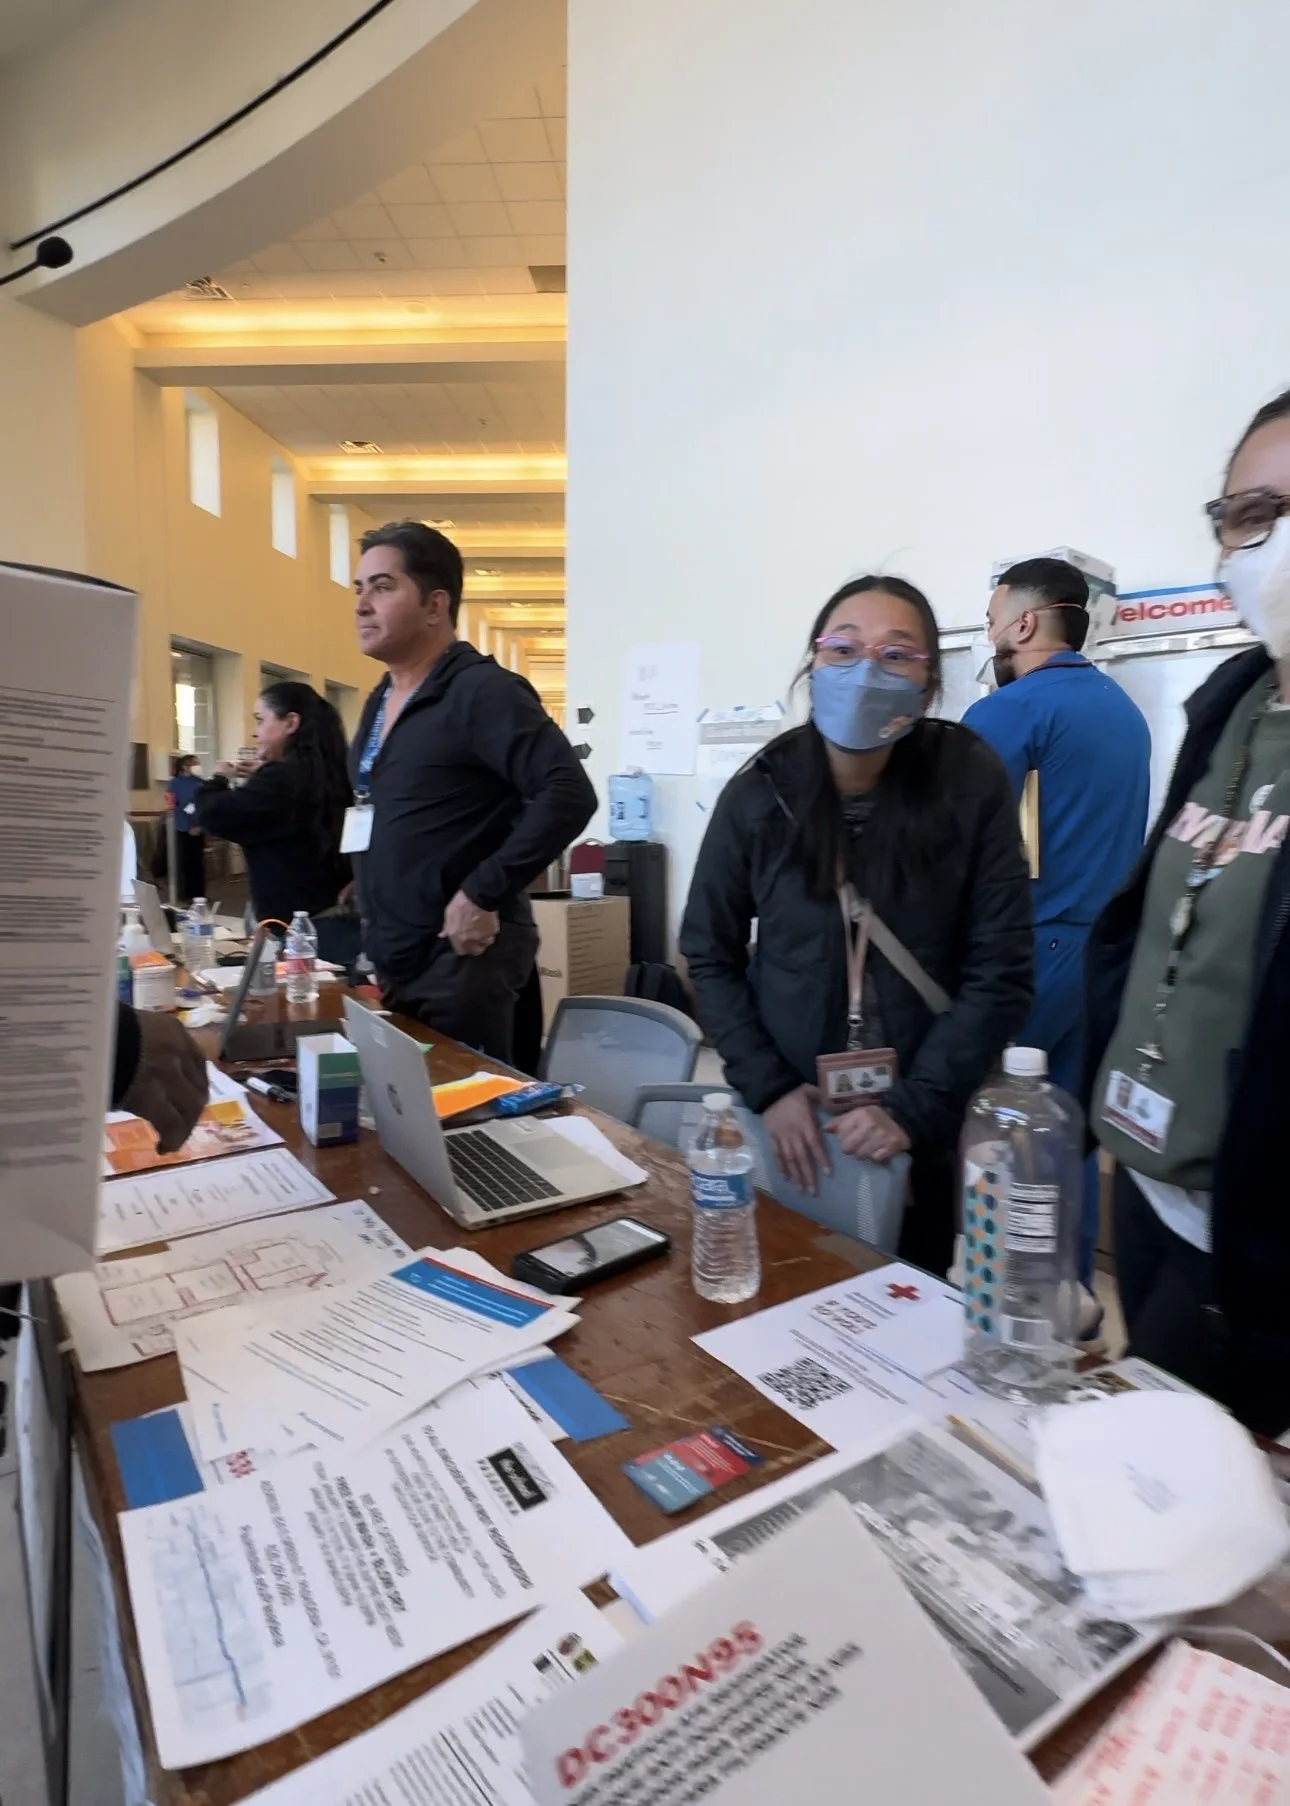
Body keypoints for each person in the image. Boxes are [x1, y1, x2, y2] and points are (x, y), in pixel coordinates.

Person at [680, 575, 1033, 1272]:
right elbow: (708, 951)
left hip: (924, 1119)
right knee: (787, 1284)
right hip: (795, 1120)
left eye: (896, 654)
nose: (866, 670)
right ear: (814, 666)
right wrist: (769, 1089)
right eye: (843, 649)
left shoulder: (968, 783)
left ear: (928, 687)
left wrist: (913, 1110)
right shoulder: (761, 792)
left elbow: (1002, 972)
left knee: (909, 1295)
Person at [1084, 391, 1290, 1437]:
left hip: (1257, 1227)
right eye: (1250, 513)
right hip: (1148, 1174)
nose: (1274, 541)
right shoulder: (1233, 703)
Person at [963, 557, 1150, 1293]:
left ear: (1024, 623)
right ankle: (1069, 1301)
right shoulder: (1123, 711)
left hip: (1029, 955)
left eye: (990, 623)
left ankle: (1000, 1296)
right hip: (1104, 958)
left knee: (993, 1133)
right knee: (1066, 1134)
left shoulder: (1010, 710)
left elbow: (953, 842)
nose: (989, 637)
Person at [349, 520, 596, 1063]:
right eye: (359, 589)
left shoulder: (482, 692)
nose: (362, 605)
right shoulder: (380, 699)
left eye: (382, 587)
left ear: (435, 606)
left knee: (467, 1111)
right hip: (396, 956)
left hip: (460, 956)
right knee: (405, 1108)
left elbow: (568, 792)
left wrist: (483, 892)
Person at [192, 681, 352, 953]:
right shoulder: (331, 771)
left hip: (301, 930)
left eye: (260, 720)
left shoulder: (283, 778)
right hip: (334, 915)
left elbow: (214, 814)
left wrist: (218, 778)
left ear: (291, 723)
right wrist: (266, 773)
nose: (255, 733)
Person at [164, 753, 207, 901]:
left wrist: (198, 825)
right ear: (184, 766)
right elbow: (173, 805)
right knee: (182, 862)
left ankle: (198, 895)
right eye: (193, 763)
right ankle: (183, 895)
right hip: (181, 827)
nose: (197, 766)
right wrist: (188, 823)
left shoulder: (200, 782)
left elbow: (204, 804)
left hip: (198, 827)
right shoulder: (174, 783)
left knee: (197, 863)